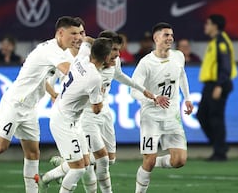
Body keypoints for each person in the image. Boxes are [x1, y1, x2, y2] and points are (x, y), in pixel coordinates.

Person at [0, 16, 83, 193]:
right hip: (15, 104)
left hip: (30, 108)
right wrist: (91, 68)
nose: (77, 37)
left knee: (33, 153)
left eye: (80, 33)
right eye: (73, 33)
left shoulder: (60, 51)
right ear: (60, 33)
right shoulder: (52, 50)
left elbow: (40, 77)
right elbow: (69, 72)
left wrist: (52, 93)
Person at [40, 31, 156, 193]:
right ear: (105, 53)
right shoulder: (92, 73)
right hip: (83, 117)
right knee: (90, 164)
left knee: (106, 159)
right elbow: (95, 108)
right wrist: (96, 95)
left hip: (92, 115)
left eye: (117, 50)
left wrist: (143, 90)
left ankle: (65, 164)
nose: (117, 54)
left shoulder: (87, 58)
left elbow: (118, 74)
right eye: (113, 50)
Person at [131, 22, 193, 193]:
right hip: (151, 117)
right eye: (166, 35)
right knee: (149, 161)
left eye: (171, 35)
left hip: (172, 116)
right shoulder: (146, 63)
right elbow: (133, 92)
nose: (170, 38)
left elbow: (182, 75)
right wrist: (154, 99)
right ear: (156, 38)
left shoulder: (178, 56)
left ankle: (150, 161)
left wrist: (187, 98)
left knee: (179, 161)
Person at [45, 37, 113, 192]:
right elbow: (96, 109)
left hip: (72, 119)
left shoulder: (81, 57)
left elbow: (87, 39)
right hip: (63, 120)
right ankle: (57, 173)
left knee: (86, 162)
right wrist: (101, 96)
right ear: (107, 57)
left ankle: (48, 177)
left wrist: (98, 44)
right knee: (78, 169)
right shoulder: (95, 78)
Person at [197, 14, 238, 162]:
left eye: (208, 23)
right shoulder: (215, 42)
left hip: (218, 84)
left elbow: (225, 66)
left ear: (215, 26)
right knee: (202, 115)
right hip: (211, 84)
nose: (205, 26)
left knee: (215, 118)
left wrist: (219, 85)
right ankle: (220, 145)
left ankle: (219, 151)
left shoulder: (221, 42)